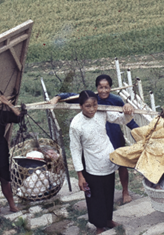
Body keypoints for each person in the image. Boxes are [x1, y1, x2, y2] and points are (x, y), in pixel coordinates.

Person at [49, 74, 139, 203]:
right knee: (100, 167)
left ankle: (125, 191)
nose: (103, 91)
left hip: (114, 136)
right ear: (96, 88)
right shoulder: (92, 100)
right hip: (97, 139)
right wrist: (58, 97)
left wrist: (139, 131)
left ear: (110, 88)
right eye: (100, 87)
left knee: (121, 164)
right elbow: (74, 97)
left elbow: (126, 120)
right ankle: (103, 197)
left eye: (106, 87)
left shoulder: (117, 100)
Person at [69, 90, 134, 234]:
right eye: (88, 106)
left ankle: (108, 220)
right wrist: (80, 174)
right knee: (95, 196)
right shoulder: (76, 124)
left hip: (107, 159)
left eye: (94, 105)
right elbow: (75, 149)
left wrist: (127, 111)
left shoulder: (102, 112)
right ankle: (99, 226)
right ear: (80, 106)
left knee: (108, 192)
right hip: (91, 164)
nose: (92, 109)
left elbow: (121, 119)